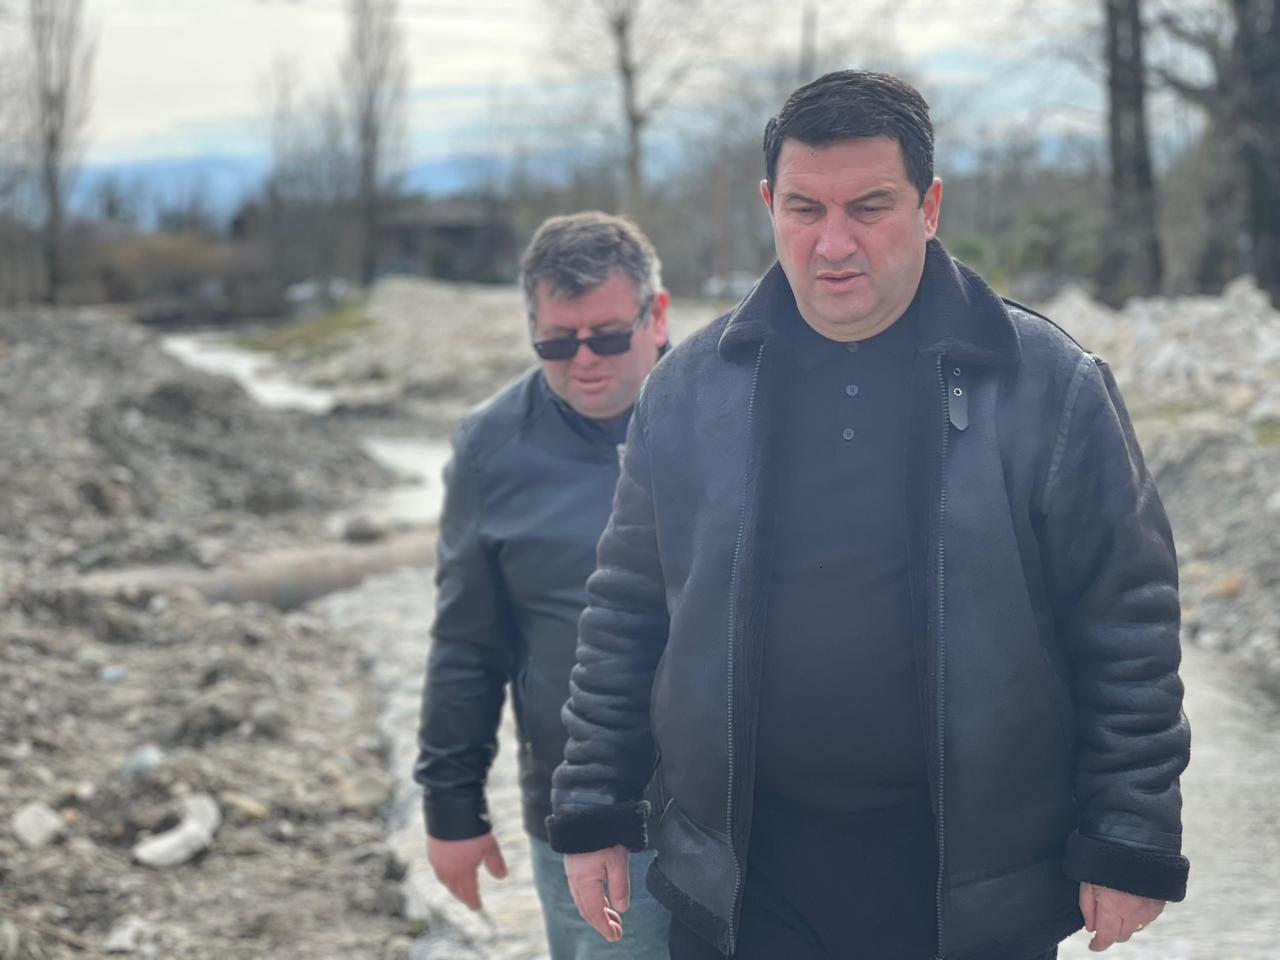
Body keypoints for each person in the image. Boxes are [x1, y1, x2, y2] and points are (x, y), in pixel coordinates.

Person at [545, 71, 1190, 960]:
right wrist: (592, 809)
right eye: (805, 208)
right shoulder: (687, 392)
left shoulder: (1050, 387)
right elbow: (625, 614)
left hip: (970, 890)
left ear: (929, 206)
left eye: (870, 207)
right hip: (745, 883)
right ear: (770, 206)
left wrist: (1131, 835)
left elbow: (1127, 623)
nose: (833, 242)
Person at [414, 212, 673, 958]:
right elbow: (466, 644)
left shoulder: (730, 410)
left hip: (748, 812)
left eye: (607, 337)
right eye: (558, 343)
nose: (583, 361)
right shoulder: (490, 449)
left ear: (656, 315)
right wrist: (452, 809)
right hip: (590, 821)